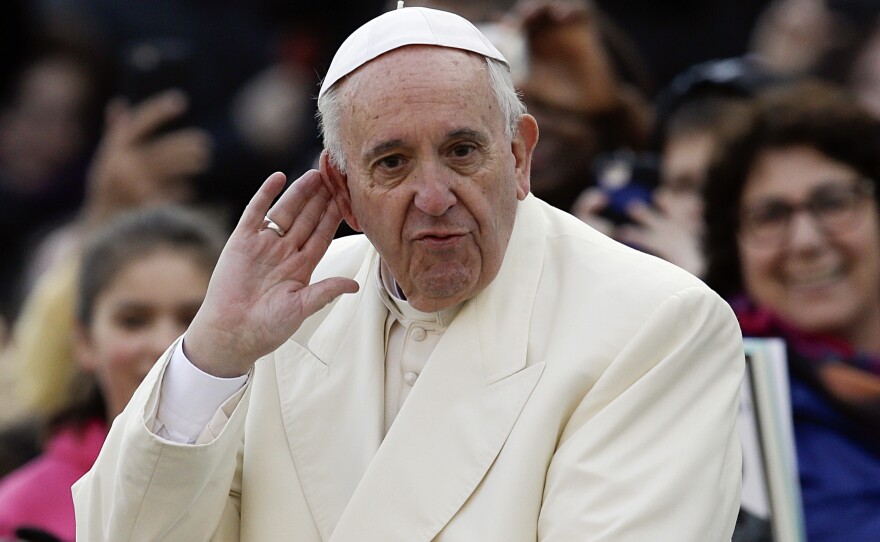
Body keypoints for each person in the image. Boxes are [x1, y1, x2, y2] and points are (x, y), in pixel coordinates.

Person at [73, 6, 744, 540]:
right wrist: (212, 356)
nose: (433, 195)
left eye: (461, 151)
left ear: (519, 156)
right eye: (392, 162)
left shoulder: (657, 324)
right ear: (342, 188)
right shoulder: (275, 318)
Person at [703, 80, 880, 541]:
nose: (805, 241)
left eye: (834, 202)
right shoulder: (711, 394)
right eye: (771, 215)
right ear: (734, 243)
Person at [0, 205, 225, 541]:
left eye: (193, 319)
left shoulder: (269, 476)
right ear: (85, 341)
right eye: (133, 321)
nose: (164, 344)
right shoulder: (20, 509)